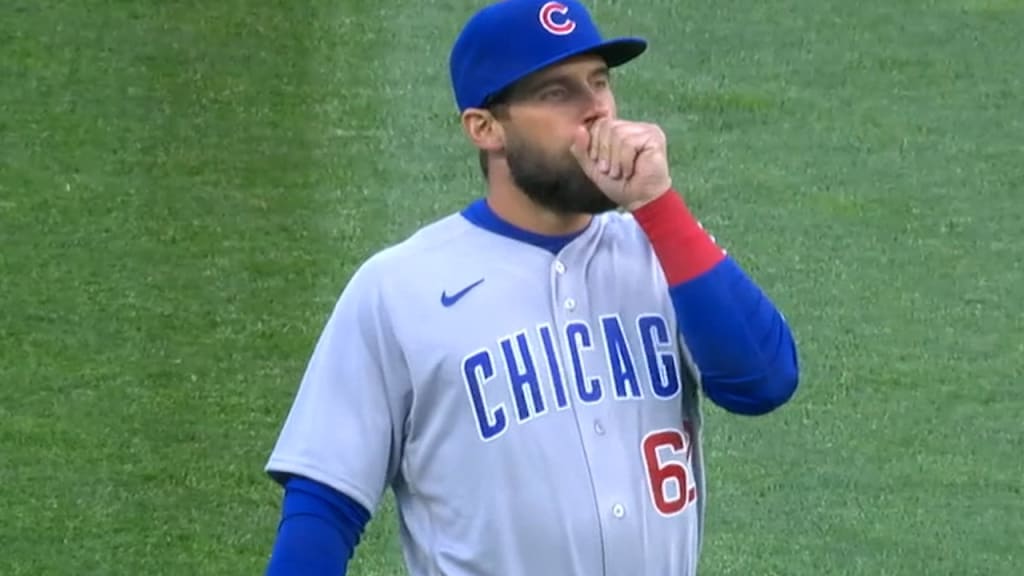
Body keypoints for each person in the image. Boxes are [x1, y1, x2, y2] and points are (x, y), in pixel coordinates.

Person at [262, 1, 800, 574]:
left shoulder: (661, 250)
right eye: (558, 93)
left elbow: (763, 383)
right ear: (485, 128)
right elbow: (324, 509)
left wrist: (657, 205)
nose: (596, 110)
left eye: (600, 82)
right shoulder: (399, 288)